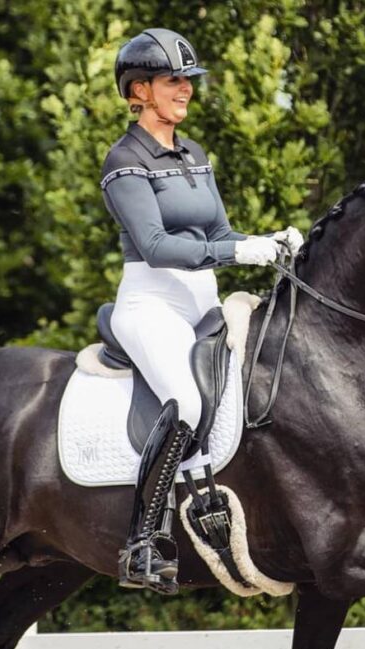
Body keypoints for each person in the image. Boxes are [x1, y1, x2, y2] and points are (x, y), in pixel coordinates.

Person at [101, 27, 303, 593]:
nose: (186, 90)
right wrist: (240, 250)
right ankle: (142, 541)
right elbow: (157, 246)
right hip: (150, 304)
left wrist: (268, 241)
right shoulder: (124, 161)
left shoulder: (193, 154)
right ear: (139, 90)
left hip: (203, 302)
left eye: (189, 81)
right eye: (173, 81)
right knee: (186, 402)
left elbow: (217, 232)